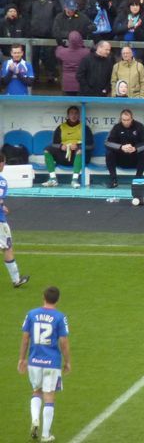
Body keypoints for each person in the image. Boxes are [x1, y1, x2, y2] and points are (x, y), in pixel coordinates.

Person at [18, 286, 70, 443]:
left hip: (34, 361)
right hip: (52, 363)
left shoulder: (31, 314)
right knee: (49, 397)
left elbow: (25, 338)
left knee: (36, 391)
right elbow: (64, 342)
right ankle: (46, 435)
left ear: (43, 297)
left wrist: (22, 358)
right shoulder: (60, 317)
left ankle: (35, 419)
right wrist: (67, 361)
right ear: (58, 299)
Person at [42, 106, 94, 189]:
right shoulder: (61, 127)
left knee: (80, 151)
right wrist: (61, 146)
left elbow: (91, 146)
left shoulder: (85, 128)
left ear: (79, 115)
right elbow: (54, 144)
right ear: (68, 115)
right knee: (47, 150)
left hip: (79, 156)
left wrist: (78, 146)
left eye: (76, 113)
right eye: (71, 113)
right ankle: (53, 179)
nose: (74, 116)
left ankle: (75, 180)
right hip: (64, 156)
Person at [0, 151, 30, 287]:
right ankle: (16, 279)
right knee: (7, 248)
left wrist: (2, 205)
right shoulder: (1, 181)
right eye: (4, 163)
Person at [104, 109, 144, 188]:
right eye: (124, 120)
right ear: (121, 119)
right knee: (109, 153)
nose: (126, 122)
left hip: (135, 158)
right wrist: (121, 147)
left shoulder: (139, 126)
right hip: (120, 158)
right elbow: (107, 143)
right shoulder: (116, 127)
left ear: (132, 119)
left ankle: (137, 181)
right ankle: (113, 181)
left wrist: (135, 148)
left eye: (128, 120)